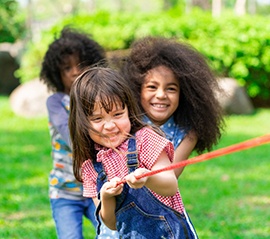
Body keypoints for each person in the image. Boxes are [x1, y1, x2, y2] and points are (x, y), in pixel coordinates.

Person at [69, 66, 198, 238]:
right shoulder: (90, 166)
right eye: (97, 118)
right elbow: (112, 224)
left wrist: (148, 178)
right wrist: (106, 198)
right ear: (81, 122)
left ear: (129, 111)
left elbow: (170, 185)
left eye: (118, 114)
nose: (110, 126)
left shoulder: (145, 139)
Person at [118, 36, 224, 177]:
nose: (161, 95)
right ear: (137, 90)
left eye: (171, 89)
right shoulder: (126, 120)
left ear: (184, 94)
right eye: (152, 87)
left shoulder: (188, 133)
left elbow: (169, 179)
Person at [40, 26, 106, 239]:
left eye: (80, 64)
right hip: (65, 192)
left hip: (99, 188)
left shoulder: (101, 100)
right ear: (57, 74)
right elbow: (70, 136)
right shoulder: (56, 102)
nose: (75, 71)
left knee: (111, 233)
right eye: (67, 68)